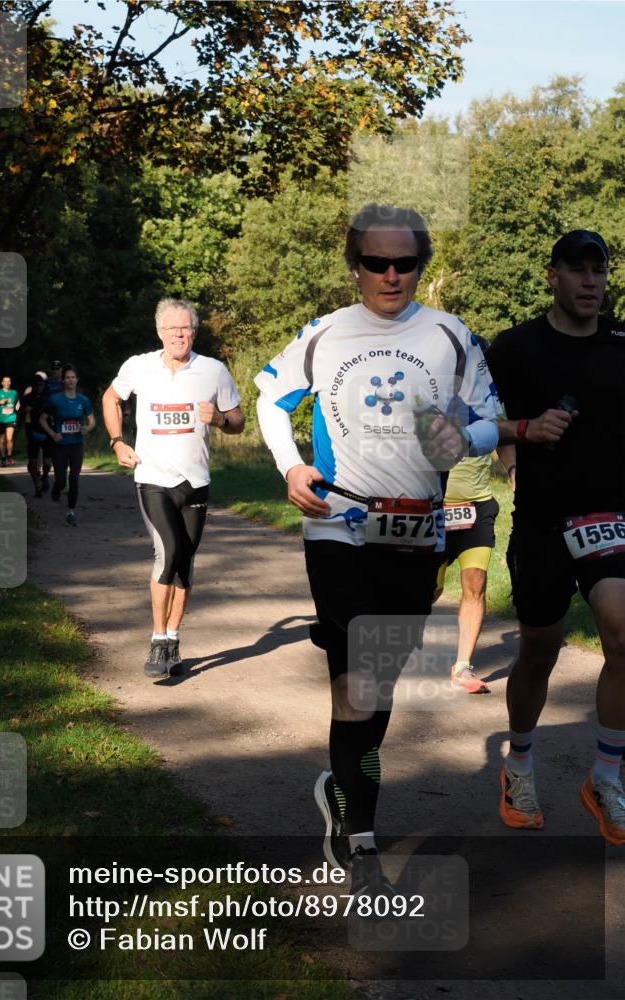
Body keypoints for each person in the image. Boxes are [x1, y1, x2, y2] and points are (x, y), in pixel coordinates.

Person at [254, 204, 501, 889]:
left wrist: (465, 440)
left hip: (418, 529)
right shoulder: (325, 333)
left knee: (368, 687)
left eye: (405, 263)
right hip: (340, 523)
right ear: (354, 265)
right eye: (376, 262)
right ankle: (362, 839)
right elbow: (271, 396)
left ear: (420, 265)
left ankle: (341, 795)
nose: (391, 275)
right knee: (362, 668)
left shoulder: (451, 336)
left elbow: (488, 419)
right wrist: (290, 466)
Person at [485, 230, 625, 845]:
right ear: (553, 276)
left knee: (623, 632)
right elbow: (464, 422)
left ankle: (606, 774)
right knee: (540, 649)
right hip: (542, 520)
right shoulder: (516, 348)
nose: (592, 282)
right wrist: (523, 429)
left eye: (600, 270)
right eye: (578, 269)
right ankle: (518, 763)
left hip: (606, 517)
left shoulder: (623, 344)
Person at [102, 297, 245, 679]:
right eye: (172, 329)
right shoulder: (139, 366)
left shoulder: (213, 371)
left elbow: (238, 421)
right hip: (153, 478)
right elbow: (110, 397)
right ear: (159, 332)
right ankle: (157, 639)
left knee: (185, 564)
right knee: (167, 553)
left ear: (193, 332)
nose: (179, 335)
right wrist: (117, 441)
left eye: (185, 329)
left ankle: (174, 638)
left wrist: (219, 420)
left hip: (195, 482)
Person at [431, 335, 512, 694]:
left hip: (477, 506)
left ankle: (462, 666)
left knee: (475, 582)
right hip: (432, 510)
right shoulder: (430, 399)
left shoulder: (488, 403)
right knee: (424, 592)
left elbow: (503, 436)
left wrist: (513, 473)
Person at [39, 364, 95, 526]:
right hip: (60, 445)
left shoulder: (83, 400)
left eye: (73, 377)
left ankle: (71, 512)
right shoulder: (55, 399)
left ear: (77, 380)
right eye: (67, 377)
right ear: (63, 380)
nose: (70, 380)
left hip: (76, 444)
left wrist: (87, 428)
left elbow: (92, 421)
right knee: (62, 480)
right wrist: (53, 434)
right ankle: (56, 489)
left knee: (75, 479)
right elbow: (42, 419)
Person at [21, 372, 53, 498]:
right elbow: (18, 412)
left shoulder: (49, 397)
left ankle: (45, 476)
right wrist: (25, 410)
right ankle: (37, 487)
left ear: (44, 384)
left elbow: (56, 410)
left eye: (41, 384)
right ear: (33, 385)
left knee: (47, 463)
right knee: (33, 462)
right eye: (36, 384)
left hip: (47, 432)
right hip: (32, 432)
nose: (38, 386)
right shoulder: (28, 397)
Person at [0, 376, 19, 466]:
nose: (7, 383)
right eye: (5, 381)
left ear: (10, 383)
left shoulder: (14, 392)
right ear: (2, 383)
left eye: (9, 381)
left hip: (11, 417)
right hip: (1, 419)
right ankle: (3, 458)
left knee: (9, 438)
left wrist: (18, 405)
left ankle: (9, 455)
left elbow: (18, 401)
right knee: (2, 440)